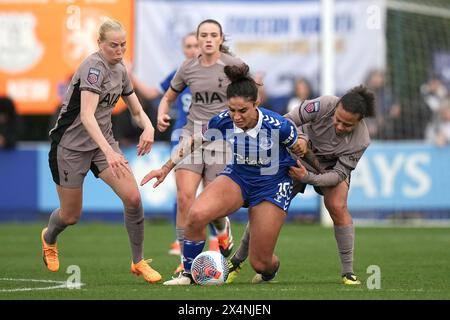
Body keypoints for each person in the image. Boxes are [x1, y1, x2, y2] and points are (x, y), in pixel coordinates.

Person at [141, 63, 305, 285]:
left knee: (260, 262)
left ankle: (270, 270)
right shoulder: (223, 120)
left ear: (256, 103)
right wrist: (166, 167)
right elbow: (193, 141)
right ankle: (188, 274)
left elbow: (302, 149)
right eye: (232, 110)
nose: (236, 117)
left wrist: (311, 172)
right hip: (238, 177)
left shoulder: (279, 125)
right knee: (196, 214)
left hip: (271, 185)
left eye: (242, 111)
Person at [41, 18, 162, 284]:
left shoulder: (120, 69)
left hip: (101, 144)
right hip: (70, 147)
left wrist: (149, 127)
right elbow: (86, 115)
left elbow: (136, 108)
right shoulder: (93, 68)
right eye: (113, 46)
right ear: (99, 44)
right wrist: (109, 152)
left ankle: (138, 261)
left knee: (133, 199)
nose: (119, 51)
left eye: (123, 45)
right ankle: (49, 238)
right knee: (70, 216)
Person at [227, 85, 375, 285]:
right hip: (293, 160)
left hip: (327, 171)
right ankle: (236, 262)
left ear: (360, 121)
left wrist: (308, 178)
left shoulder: (362, 141)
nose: (340, 127)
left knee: (338, 206)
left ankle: (348, 272)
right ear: (336, 106)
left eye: (347, 125)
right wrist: (302, 138)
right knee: (264, 206)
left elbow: (338, 175)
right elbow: (285, 121)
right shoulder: (322, 105)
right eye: (338, 120)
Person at [155, 19, 245, 273]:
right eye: (203, 35)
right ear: (198, 38)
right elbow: (168, 96)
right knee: (185, 198)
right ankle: (185, 264)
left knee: (211, 204)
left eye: (212, 35)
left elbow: (252, 95)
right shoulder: (187, 67)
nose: (207, 39)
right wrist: (162, 112)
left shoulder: (234, 66)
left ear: (220, 39)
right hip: (190, 137)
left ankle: (222, 227)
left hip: (222, 140)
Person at [129, 32, 220, 258]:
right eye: (187, 46)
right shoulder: (180, 74)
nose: (191, 50)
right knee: (183, 194)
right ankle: (182, 243)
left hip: (212, 139)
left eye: (194, 45)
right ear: (183, 49)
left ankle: (216, 238)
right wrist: (130, 75)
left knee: (212, 192)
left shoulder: (216, 73)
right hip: (183, 136)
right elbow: (154, 94)